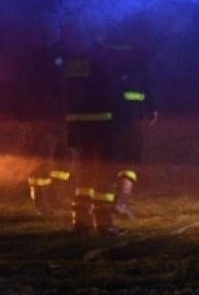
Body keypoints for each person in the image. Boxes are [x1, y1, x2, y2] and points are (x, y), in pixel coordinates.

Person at [57, 30, 156, 235]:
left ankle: (80, 218)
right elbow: (114, 88)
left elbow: (70, 91)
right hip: (104, 122)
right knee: (104, 172)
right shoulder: (105, 57)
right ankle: (103, 221)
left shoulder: (75, 59)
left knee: (85, 171)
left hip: (80, 123)